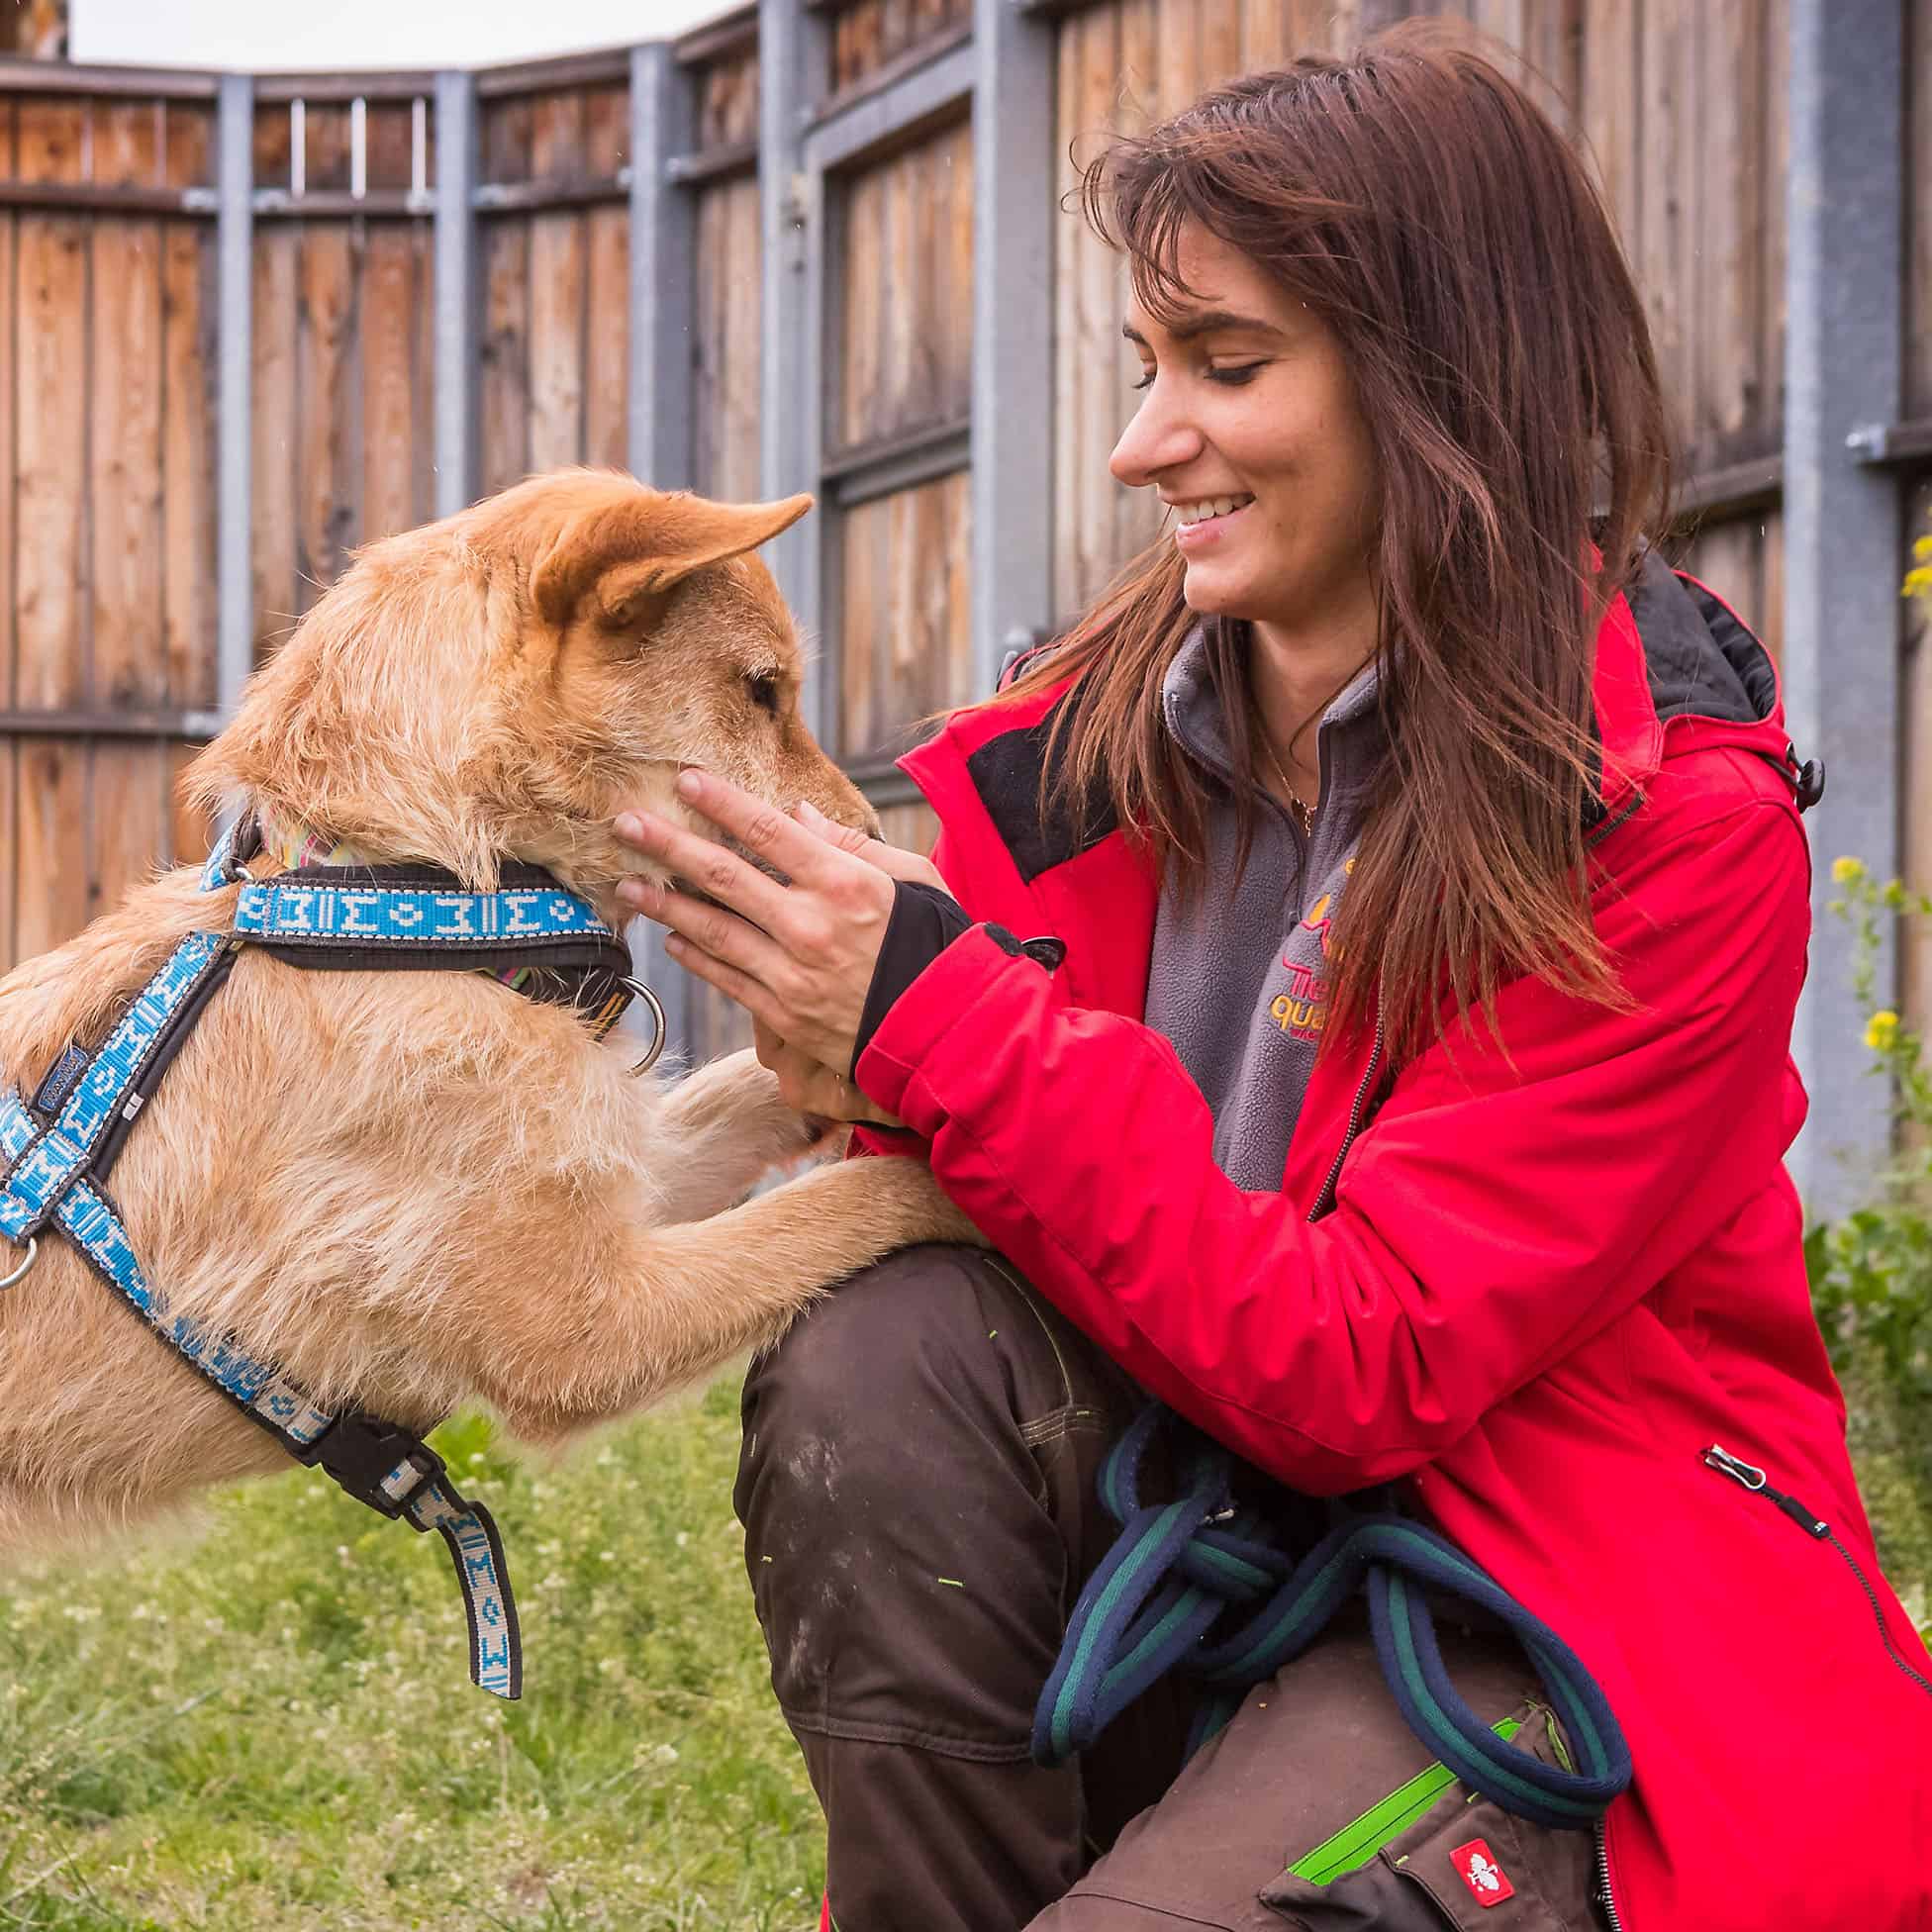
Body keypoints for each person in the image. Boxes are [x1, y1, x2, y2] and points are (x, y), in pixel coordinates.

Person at [613, 28, 1932, 1932]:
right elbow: (979, 1179)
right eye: (1151, 369)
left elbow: (1366, 1357)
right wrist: (839, 1046)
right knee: (879, 1347)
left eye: (1228, 368)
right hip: (1187, 1522)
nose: (1151, 441)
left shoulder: (1671, 832)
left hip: (1530, 1595)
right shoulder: (1070, 755)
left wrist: (933, 1008)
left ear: (1442, 383)